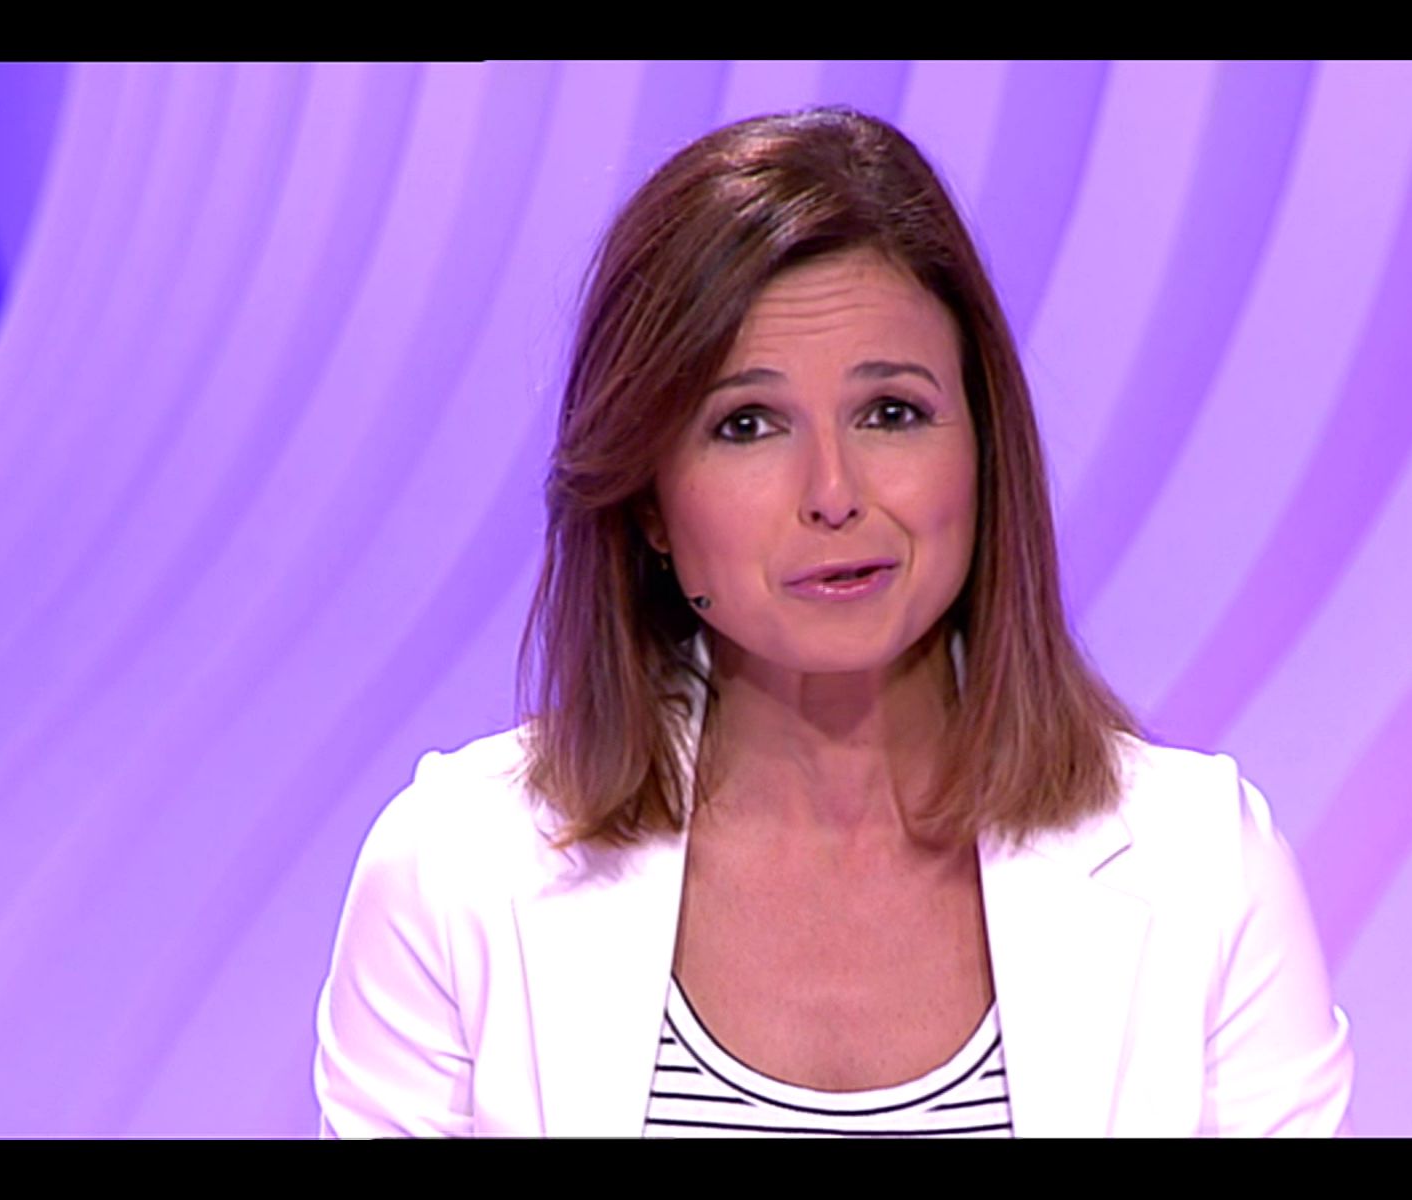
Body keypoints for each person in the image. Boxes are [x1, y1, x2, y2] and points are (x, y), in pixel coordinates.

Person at [314, 107, 1354, 1137]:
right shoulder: (453, 871)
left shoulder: (1202, 870)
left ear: (982, 448)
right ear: (647, 502)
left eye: (891, 412)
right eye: (747, 425)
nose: (833, 494)